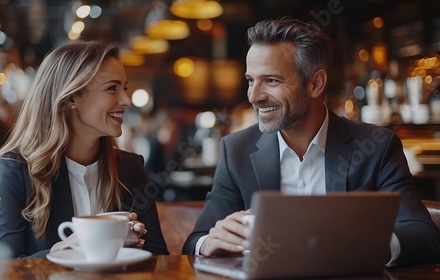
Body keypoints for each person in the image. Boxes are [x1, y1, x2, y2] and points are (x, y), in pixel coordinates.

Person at [182, 17, 440, 267]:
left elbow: (425, 236)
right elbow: (195, 241)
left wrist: (365, 245)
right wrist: (208, 242)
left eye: (271, 80)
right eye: (251, 81)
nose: (253, 96)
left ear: (315, 84)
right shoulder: (237, 149)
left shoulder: (377, 147)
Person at [0, 40, 168, 258]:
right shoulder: (16, 169)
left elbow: (159, 257)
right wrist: (58, 254)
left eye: (124, 89)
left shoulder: (130, 168)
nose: (126, 100)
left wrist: (136, 248)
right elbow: (5, 268)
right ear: (71, 98)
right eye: (111, 88)